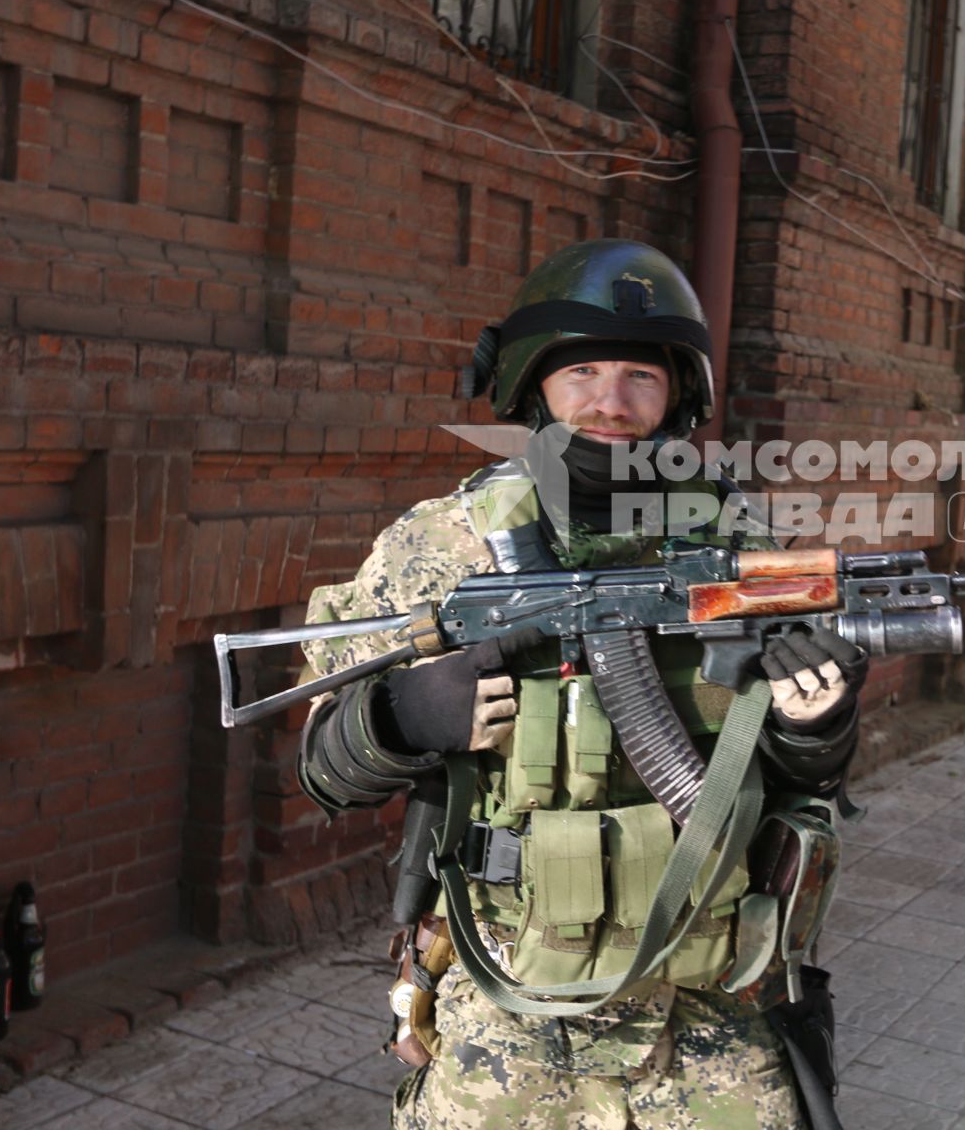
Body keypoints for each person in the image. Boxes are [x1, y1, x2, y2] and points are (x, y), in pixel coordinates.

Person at [295, 240, 861, 1129]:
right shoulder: (442, 547)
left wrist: (815, 718)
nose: (611, 401)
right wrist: (400, 716)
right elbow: (323, 767)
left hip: (709, 1009)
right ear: (531, 382)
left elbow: (806, 781)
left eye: (640, 374)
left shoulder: (748, 545)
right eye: (583, 370)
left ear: (679, 390)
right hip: (506, 1019)